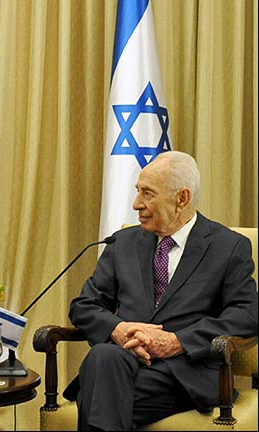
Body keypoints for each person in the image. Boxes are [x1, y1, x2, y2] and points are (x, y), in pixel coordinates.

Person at [66, 150, 258, 431]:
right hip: (123, 363)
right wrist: (119, 330)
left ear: (182, 198)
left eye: (148, 194)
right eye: (137, 192)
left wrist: (177, 341)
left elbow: (248, 314)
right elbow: (83, 306)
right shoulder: (122, 244)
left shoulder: (228, 247)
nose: (136, 204)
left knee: (96, 394)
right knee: (103, 357)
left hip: (185, 374)